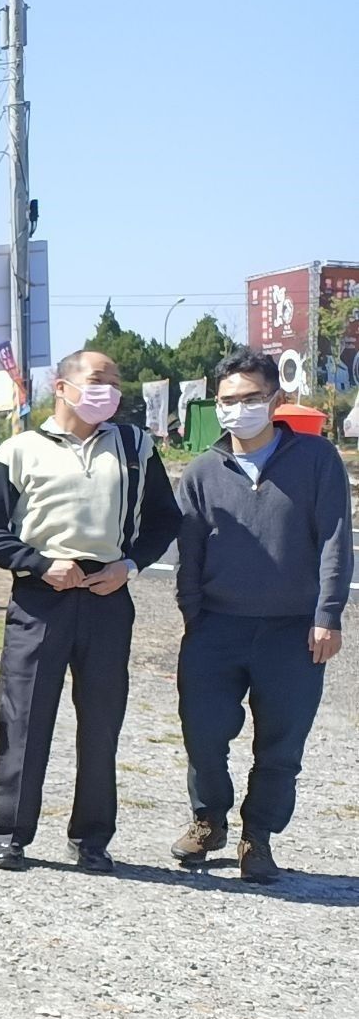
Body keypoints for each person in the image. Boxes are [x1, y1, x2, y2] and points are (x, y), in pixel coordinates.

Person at [0, 348, 181, 872]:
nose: (108, 387)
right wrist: (36, 564)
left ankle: (91, 838)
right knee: (24, 717)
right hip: (42, 598)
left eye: (115, 379)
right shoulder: (19, 450)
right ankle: (11, 834)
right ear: (61, 387)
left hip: (108, 596)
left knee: (102, 721)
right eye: (96, 378)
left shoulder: (134, 446)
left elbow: (163, 520)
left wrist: (129, 566)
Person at [170, 350, 351, 881]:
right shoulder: (203, 470)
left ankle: (259, 836)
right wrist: (192, 614)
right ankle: (209, 820)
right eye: (228, 400)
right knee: (202, 732)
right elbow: (190, 550)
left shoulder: (317, 460)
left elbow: (336, 541)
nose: (238, 409)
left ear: (275, 399)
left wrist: (328, 614)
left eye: (250, 398)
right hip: (216, 628)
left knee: (281, 742)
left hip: (294, 631)